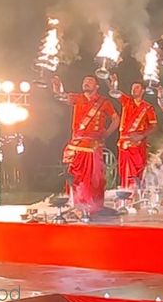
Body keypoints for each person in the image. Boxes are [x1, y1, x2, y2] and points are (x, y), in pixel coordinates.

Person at [54, 75, 119, 218]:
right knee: (76, 177)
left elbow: (116, 119)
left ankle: (94, 206)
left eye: (89, 81)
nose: (86, 83)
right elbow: (62, 96)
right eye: (84, 81)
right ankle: (78, 206)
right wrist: (58, 88)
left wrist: (106, 134)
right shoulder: (77, 98)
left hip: (93, 145)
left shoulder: (104, 102)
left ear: (96, 87)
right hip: (77, 145)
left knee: (94, 179)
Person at [113, 78, 157, 190]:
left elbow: (153, 126)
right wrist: (113, 82)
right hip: (123, 143)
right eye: (132, 88)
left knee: (138, 170)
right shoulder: (126, 101)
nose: (134, 90)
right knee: (124, 171)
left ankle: (136, 195)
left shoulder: (148, 107)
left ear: (142, 91)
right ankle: (126, 195)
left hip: (138, 144)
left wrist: (141, 136)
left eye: (137, 88)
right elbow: (114, 92)